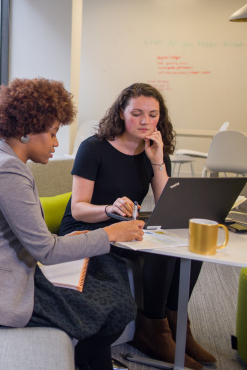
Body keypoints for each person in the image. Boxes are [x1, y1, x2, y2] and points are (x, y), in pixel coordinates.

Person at [0, 78, 144, 370]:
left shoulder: (5, 161)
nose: (56, 143)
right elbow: (46, 249)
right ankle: (79, 361)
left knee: (111, 288)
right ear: (28, 130)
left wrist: (86, 237)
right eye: (54, 133)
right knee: (117, 306)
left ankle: (83, 362)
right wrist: (109, 233)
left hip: (5, 271)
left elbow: (32, 237)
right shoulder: (8, 171)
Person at [58, 83, 212, 370]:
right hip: (87, 226)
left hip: (125, 228)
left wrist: (157, 162)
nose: (145, 121)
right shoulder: (93, 148)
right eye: (137, 113)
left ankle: (178, 327)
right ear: (121, 113)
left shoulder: (155, 151)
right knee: (157, 248)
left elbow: (169, 208)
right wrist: (109, 209)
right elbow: (78, 207)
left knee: (187, 237)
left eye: (153, 115)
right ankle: (153, 330)